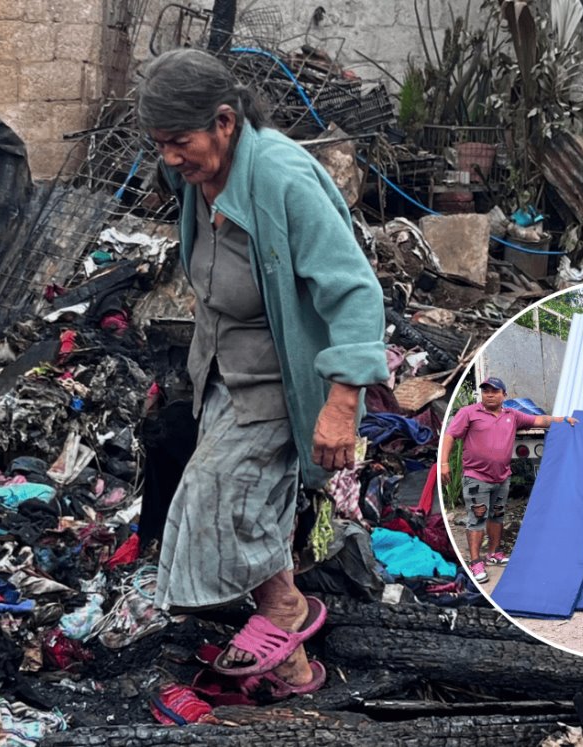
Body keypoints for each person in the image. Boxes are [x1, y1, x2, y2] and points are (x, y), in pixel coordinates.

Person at [137, 49, 389, 696]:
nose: (169, 158)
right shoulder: (200, 177)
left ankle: (286, 609)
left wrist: (341, 401)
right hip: (222, 370)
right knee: (245, 508)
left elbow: (356, 291)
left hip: (282, 380)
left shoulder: (281, 179)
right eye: (159, 143)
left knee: (212, 500)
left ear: (225, 121)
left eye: (179, 141)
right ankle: (294, 673)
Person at [439, 377, 577, 583]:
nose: (490, 394)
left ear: (504, 395)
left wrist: (563, 420)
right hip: (477, 476)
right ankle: (475, 562)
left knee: (497, 515)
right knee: (477, 518)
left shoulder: (511, 415)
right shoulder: (468, 413)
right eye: (486, 391)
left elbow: (539, 421)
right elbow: (449, 435)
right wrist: (443, 463)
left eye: (495, 391)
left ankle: (493, 553)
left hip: (501, 476)